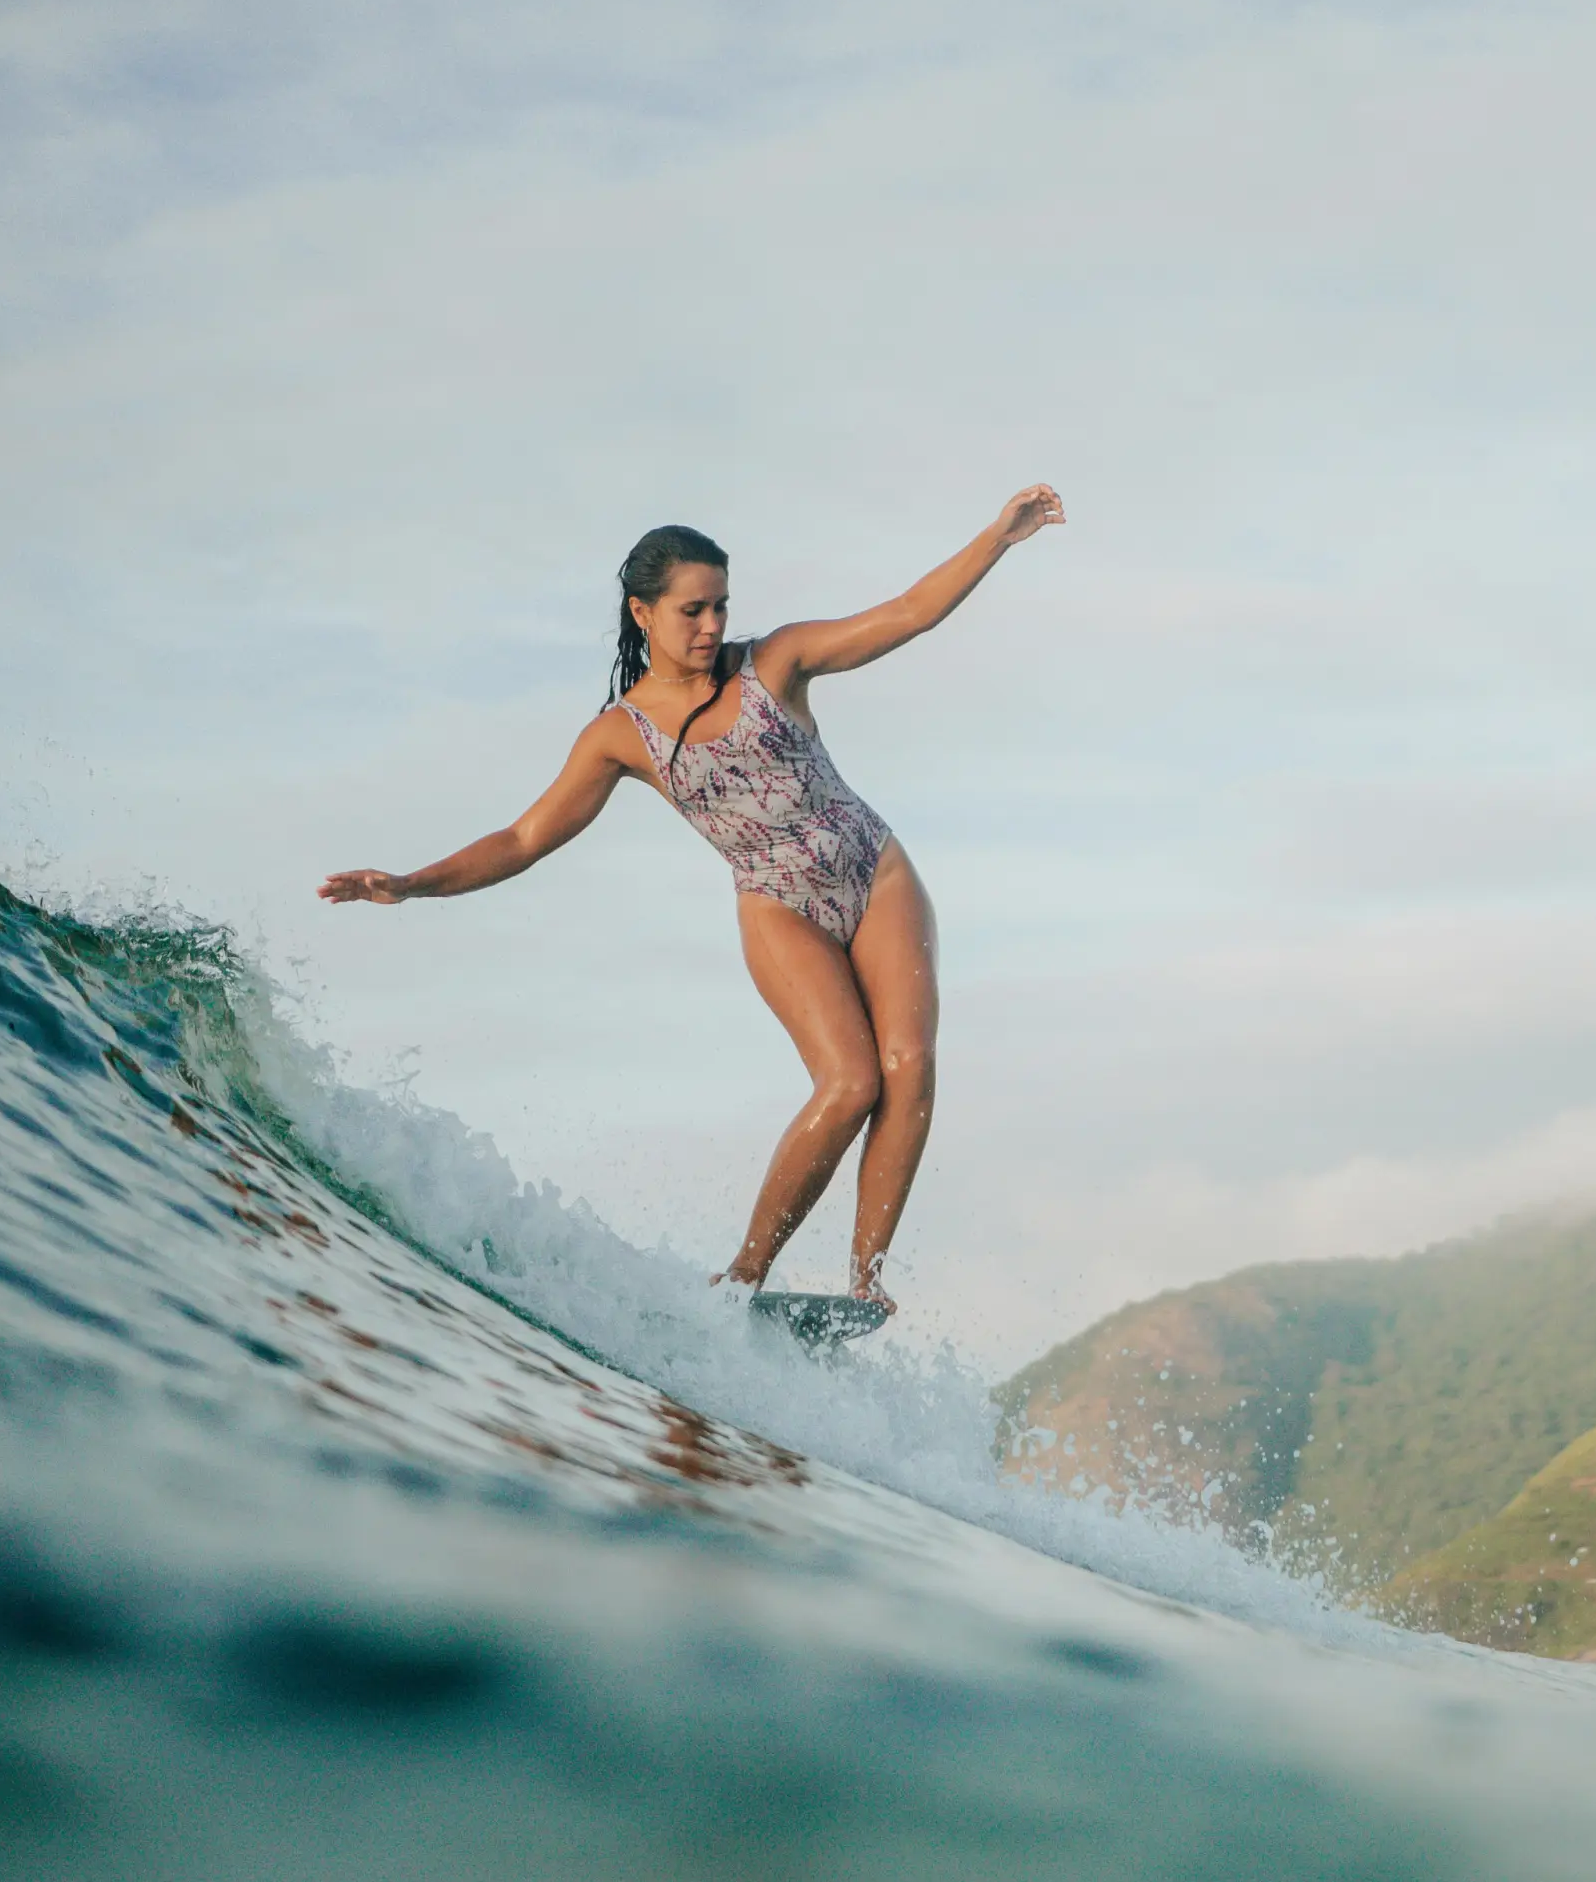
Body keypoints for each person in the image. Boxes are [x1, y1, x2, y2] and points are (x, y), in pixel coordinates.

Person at [319, 488, 1066, 1314]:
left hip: (874, 872)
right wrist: (412, 882)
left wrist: (998, 536)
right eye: (691, 610)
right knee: (851, 1083)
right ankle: (744, 1276)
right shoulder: (621, 733)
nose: (711, 626)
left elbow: (908, 612)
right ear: (643, 612)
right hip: (779, 905)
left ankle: (864, 1285)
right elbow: (526, 837)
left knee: (909, 1069)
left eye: (720, 607)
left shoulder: (773, 663)